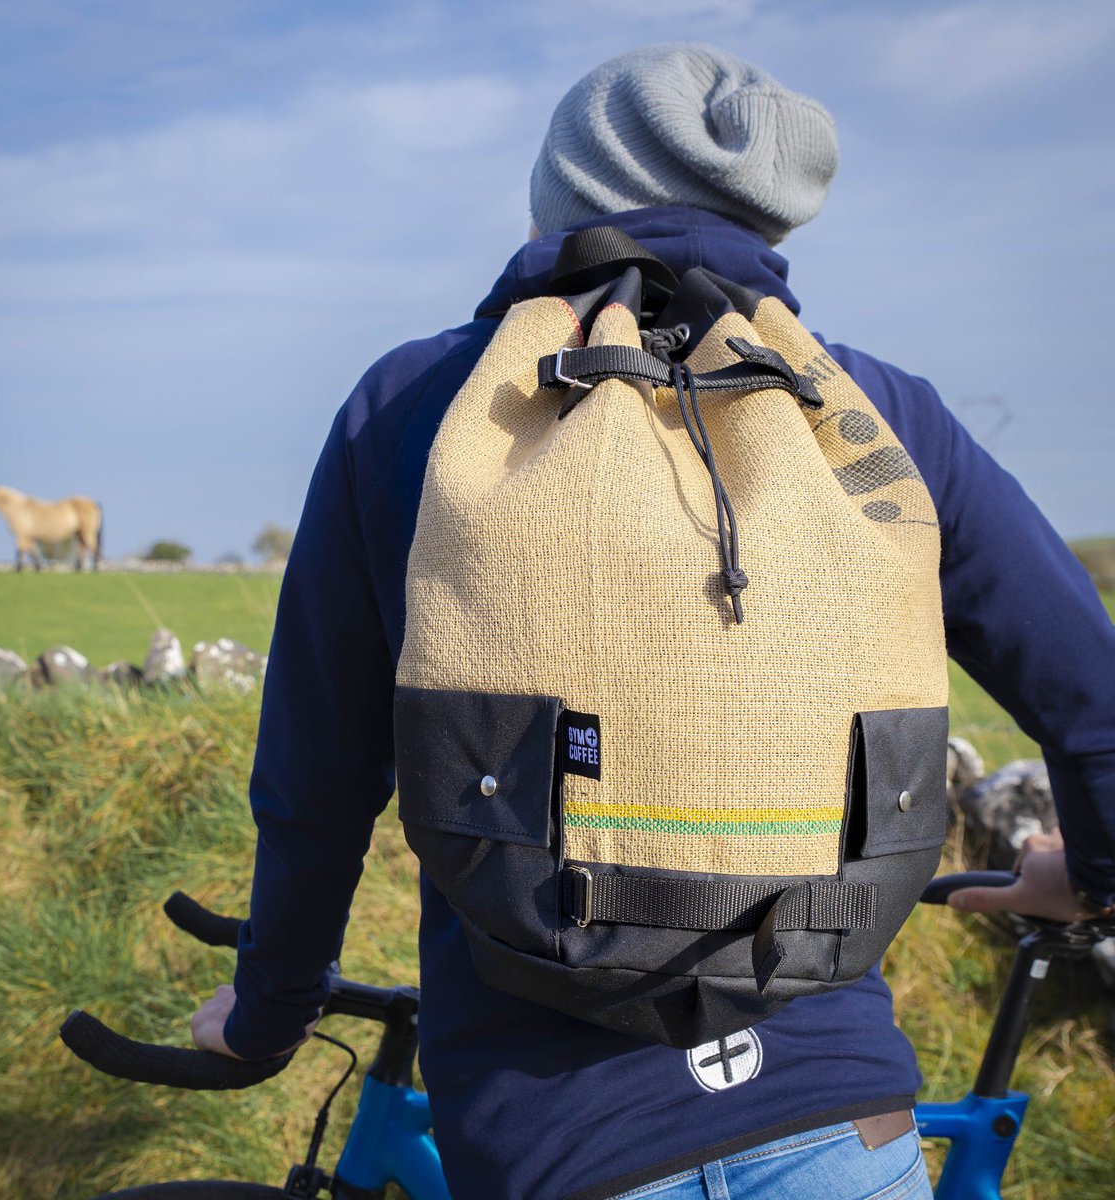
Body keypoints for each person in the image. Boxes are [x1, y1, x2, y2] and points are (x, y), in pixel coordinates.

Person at [191, 44, 1115, 1199]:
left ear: (562, 193)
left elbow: (316, 784)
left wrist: (269, 1011)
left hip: (557, 1145)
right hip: (843, 1126)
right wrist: (1094, 877)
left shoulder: (414, 407)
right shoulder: (877, 418)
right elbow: (1096, 708)